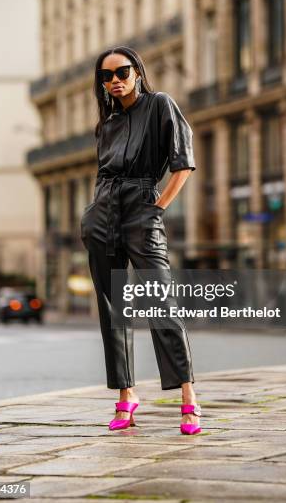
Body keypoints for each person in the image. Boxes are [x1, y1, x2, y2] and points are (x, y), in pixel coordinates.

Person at [81, 46, 201, 435]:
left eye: (122, 72)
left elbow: (182, 165)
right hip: (102, 216)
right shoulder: (107, 124)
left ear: (137, 72)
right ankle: (126, 395)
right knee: (112, 312)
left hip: (142, 211)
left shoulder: (160, 105)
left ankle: (188, 398)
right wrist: (93, 215)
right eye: (106, 76)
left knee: (161, 304)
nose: (114, 80)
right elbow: (103, 174)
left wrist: (157, 209)